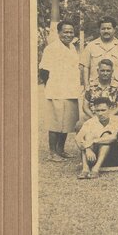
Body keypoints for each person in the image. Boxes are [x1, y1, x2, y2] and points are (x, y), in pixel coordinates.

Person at [38, 20, 82, 161]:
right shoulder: (51, 49)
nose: (68, 35)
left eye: (71, 32)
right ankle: (52, 152)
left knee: (68, 122)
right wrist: (51, 85)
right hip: (57, 90)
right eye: (65, 32)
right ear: (59, 33)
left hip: (71, 90)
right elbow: (44, 71)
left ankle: (61, 149)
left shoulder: (72, 48)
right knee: (56, 122)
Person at [75, 97, 118, 179]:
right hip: (93, 157)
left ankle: (96, 169)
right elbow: (78, 138)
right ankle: (85, 169)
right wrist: (87, 148)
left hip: (114, 157)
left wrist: (93, 141)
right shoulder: (90, 122)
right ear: (94, 110)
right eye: (97, 111)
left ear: (110, 109)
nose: (100, 113)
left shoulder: (117, 120)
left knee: (106, 136)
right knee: (88, 136)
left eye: (103, 110)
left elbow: (113, 138)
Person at [80, 17, 118, 85]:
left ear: (114, 29)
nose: (106, 31)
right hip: (95, 86)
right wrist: (86, 86)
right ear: (99, 30)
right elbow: (85, 67)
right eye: (103, 29)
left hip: (117, 86)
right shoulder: (91, 46)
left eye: (109, 28)